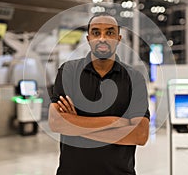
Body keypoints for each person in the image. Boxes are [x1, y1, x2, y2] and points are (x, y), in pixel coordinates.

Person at [49, 13, 150, 175]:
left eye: (109, 32)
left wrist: (75, 126)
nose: (102, 38)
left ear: (118, 38)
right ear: (89, 38)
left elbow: (140, 134)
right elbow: (56, 123)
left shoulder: (134, 78)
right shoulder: (69, 71)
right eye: (96, 32)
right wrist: (115, 121)